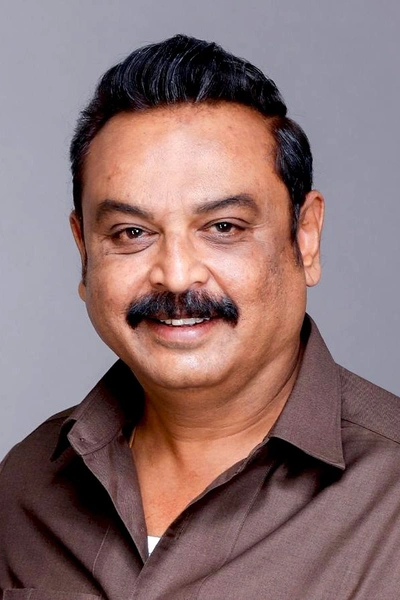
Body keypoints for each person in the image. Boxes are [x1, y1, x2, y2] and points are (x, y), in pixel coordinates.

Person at [1, 34, 400, 600]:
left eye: (223, 228)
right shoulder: (26, 485)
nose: (176, 275)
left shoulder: (390, 499)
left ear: (306, 237)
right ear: (84, 251)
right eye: (132, 233)